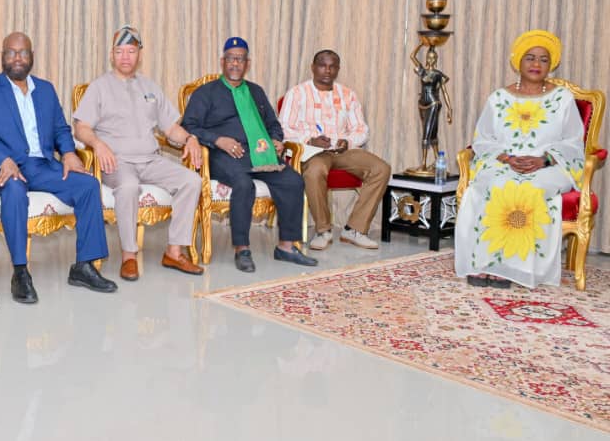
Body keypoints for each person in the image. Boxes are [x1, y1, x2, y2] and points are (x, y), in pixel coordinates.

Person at [0, 32, 117, 300]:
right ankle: (20, 272)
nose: (17, 58)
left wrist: (68, 153)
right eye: (11, 52)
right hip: (7, 168)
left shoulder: (45, 90)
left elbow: (60, 129)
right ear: (2, 57)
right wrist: (1, 159)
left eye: (23, 52)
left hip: (43, 166)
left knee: (88, 185)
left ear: (31, 57)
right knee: (14, 191)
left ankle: (84, 266)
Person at [455, 30, 585, 289]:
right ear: (518, 62)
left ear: (551, 64)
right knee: (496, 185)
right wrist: (506, 157)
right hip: (504, 162)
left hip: (549, 166)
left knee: (528, 188)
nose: (536, 64)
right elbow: (483, 139)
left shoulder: (562, 99)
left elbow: (573, 142)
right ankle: (485, 263)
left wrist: (544, 160)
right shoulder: (499, 98)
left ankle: (514, 267)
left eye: (543, 59)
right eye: (530, 58)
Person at [72, 25, 203, 281]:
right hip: (117, 162)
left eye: (131, 51)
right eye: (119, 51)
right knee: (129, 186)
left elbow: (170, 128)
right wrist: (98, 144)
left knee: (192, 180)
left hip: (151, 159)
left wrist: (190, 138)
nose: (125, 57)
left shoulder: (150, 87)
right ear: (111, 55)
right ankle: (129, 256)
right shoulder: (99, 87)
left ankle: (174, 252)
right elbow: (81, 127)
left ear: (139, 55)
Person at [181, 37, 318, 272]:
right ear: (223, 62)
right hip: (223, 156)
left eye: (240, 59)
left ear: (247, 63)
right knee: (244, 184)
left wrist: (276, 140)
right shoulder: (206, 93)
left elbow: (273, 124)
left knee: (293, 180)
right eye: (231, 59)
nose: (235, 63)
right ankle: (242, 249)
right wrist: (218, 140)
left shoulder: (256, 91)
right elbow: (189, 126)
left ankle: (286, 247)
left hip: (260, 155)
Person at [278, 49, 391, 250]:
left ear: (338, 69)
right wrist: (310, 139)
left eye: (332, 66)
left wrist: (347, 141)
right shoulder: (297, 93)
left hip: (342, 151)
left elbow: (361, 130)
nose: (327, 70)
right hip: (313, 152)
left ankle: (354, 229)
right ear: (313, 68)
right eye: (323, 65)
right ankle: (323, 230)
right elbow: (283, 129)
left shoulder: (348, 95)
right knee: (315, 171)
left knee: (381, 168)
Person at [410, 44, 454, 170]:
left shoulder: (438, 74)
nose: (430, 60)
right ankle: (436, 160)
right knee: (433, 132)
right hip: (422, 104)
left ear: (436, 59)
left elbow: (444, 92)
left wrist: (450, 109)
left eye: (433, 57)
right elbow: (412, 56)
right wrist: (421, 44)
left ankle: (423, 163)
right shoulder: (423, 71)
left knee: (426, 132)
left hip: (433, 104)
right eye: (429, 57)